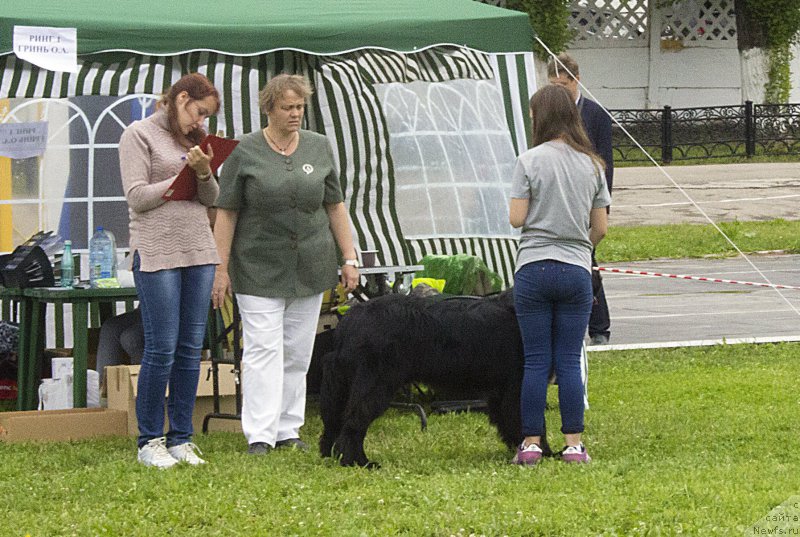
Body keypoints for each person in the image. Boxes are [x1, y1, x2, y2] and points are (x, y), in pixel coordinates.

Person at [212, 74, 359, 455]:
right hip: (257, 266)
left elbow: (335, 206)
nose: (295, 114)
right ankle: (259, 434)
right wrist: (220, 267)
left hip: (311, 264)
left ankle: (288, 429)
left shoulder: (319, 147)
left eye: (300, 108)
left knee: (297, 350)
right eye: (287, 108)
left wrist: (350, 257)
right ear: (269, 109)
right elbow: (226, 213)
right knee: (263, 348)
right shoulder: (244, 151)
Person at [118, 73, 221, 468]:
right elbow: (137, 197)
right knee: (161, 347)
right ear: (179, 99)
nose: (201, 122)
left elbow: (212, 198)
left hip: (198, 249)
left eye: (207, 116)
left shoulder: (198, 142)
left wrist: (203, 172)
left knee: (191, 348)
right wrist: (180, 178)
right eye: (198, 112)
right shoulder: (138, 135)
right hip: (157, 251)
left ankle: (181, 438)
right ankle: (149, 441)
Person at [509, 84, 610, 465]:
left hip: (534, 267)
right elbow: (600, 228)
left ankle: (532, 443)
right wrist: (577, 242)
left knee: (536, 360)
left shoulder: (529, 160)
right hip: (575, 268)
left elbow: (517, 218)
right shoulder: (592, 164)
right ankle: (573, 444)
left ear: (542, 117)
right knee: (568, 359)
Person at [548, 53, 614, 346]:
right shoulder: (548, 112)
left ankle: (599, 326)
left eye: (563, 86)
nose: (559, 92)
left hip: (589, 201)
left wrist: (602, 207)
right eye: (553, 86)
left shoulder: (595, 114)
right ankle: (587, 326)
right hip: (558, 200)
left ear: (576, 81)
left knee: (587, 262)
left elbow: (606, 163)